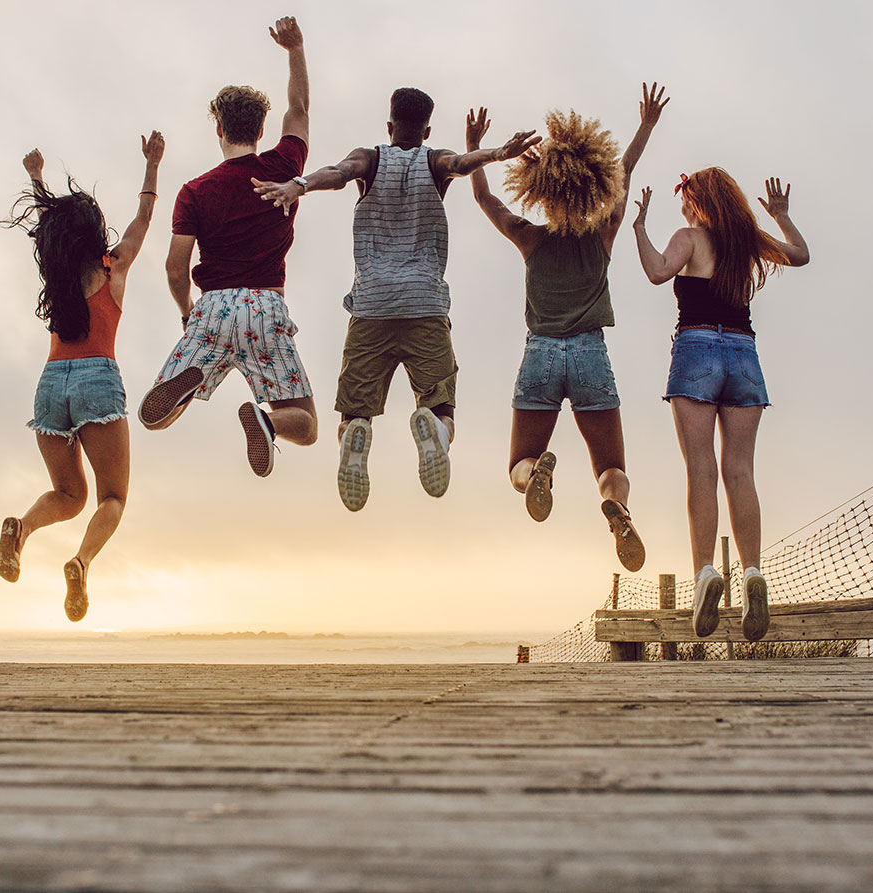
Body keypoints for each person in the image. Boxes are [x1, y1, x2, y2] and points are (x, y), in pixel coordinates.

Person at [252, 88, 539, 511]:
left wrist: (299, 186)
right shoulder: (433, 160)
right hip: (424, 304)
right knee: (441, 407)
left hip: (372, 307)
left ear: (389, 127)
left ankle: (355, 438)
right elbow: (460, 164)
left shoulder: (370, 159)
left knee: (353, 414)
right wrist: (498, 152)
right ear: (426, 130)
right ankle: (435, 434)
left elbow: (338, 170)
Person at [464, 85, 668, 572]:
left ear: (542, 187)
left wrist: (474, 148)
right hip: (591, 355)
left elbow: (485, 198)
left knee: (518, 461)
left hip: (540, 355)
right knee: (612, 468)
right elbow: (625, 172)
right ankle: (615, 507)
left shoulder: (529, 237)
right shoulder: (604, 233)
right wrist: (646, 125)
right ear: (591, 184)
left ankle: (535, 472)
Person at [0, 132, 166, 621]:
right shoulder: (113, 267)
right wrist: (152, 164)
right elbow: (144, 218)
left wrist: (35, 178)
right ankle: (81, 562)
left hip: (50, 384)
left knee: (69, 494)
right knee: (112, 497)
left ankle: (20, 531)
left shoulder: (57, 274)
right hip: (98, 379)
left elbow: (48, 223)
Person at [633, 170, 810, 641]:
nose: (684, 208)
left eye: (686, 200)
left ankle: (706, 574)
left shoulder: (689, 238)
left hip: (696, 352)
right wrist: (783, 217)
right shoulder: (746, 240)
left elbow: (655, 271)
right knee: (740, 472)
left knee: (701, 470)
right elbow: (800, 256)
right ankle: (752, 573)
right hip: (743, 354)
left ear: (697, 201)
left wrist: (639, 229)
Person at [137, 16, 316, 478]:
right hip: (264, 304)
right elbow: (299, 107)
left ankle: (189, 384)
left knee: (161, 418)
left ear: (218, 129)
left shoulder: (195, 191)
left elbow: (176, 269)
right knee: (307, 424)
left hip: (212, 308)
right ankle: (267, 421)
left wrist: (187, 312)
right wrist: (295, 49)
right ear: (259, 128)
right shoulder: (283, 163)